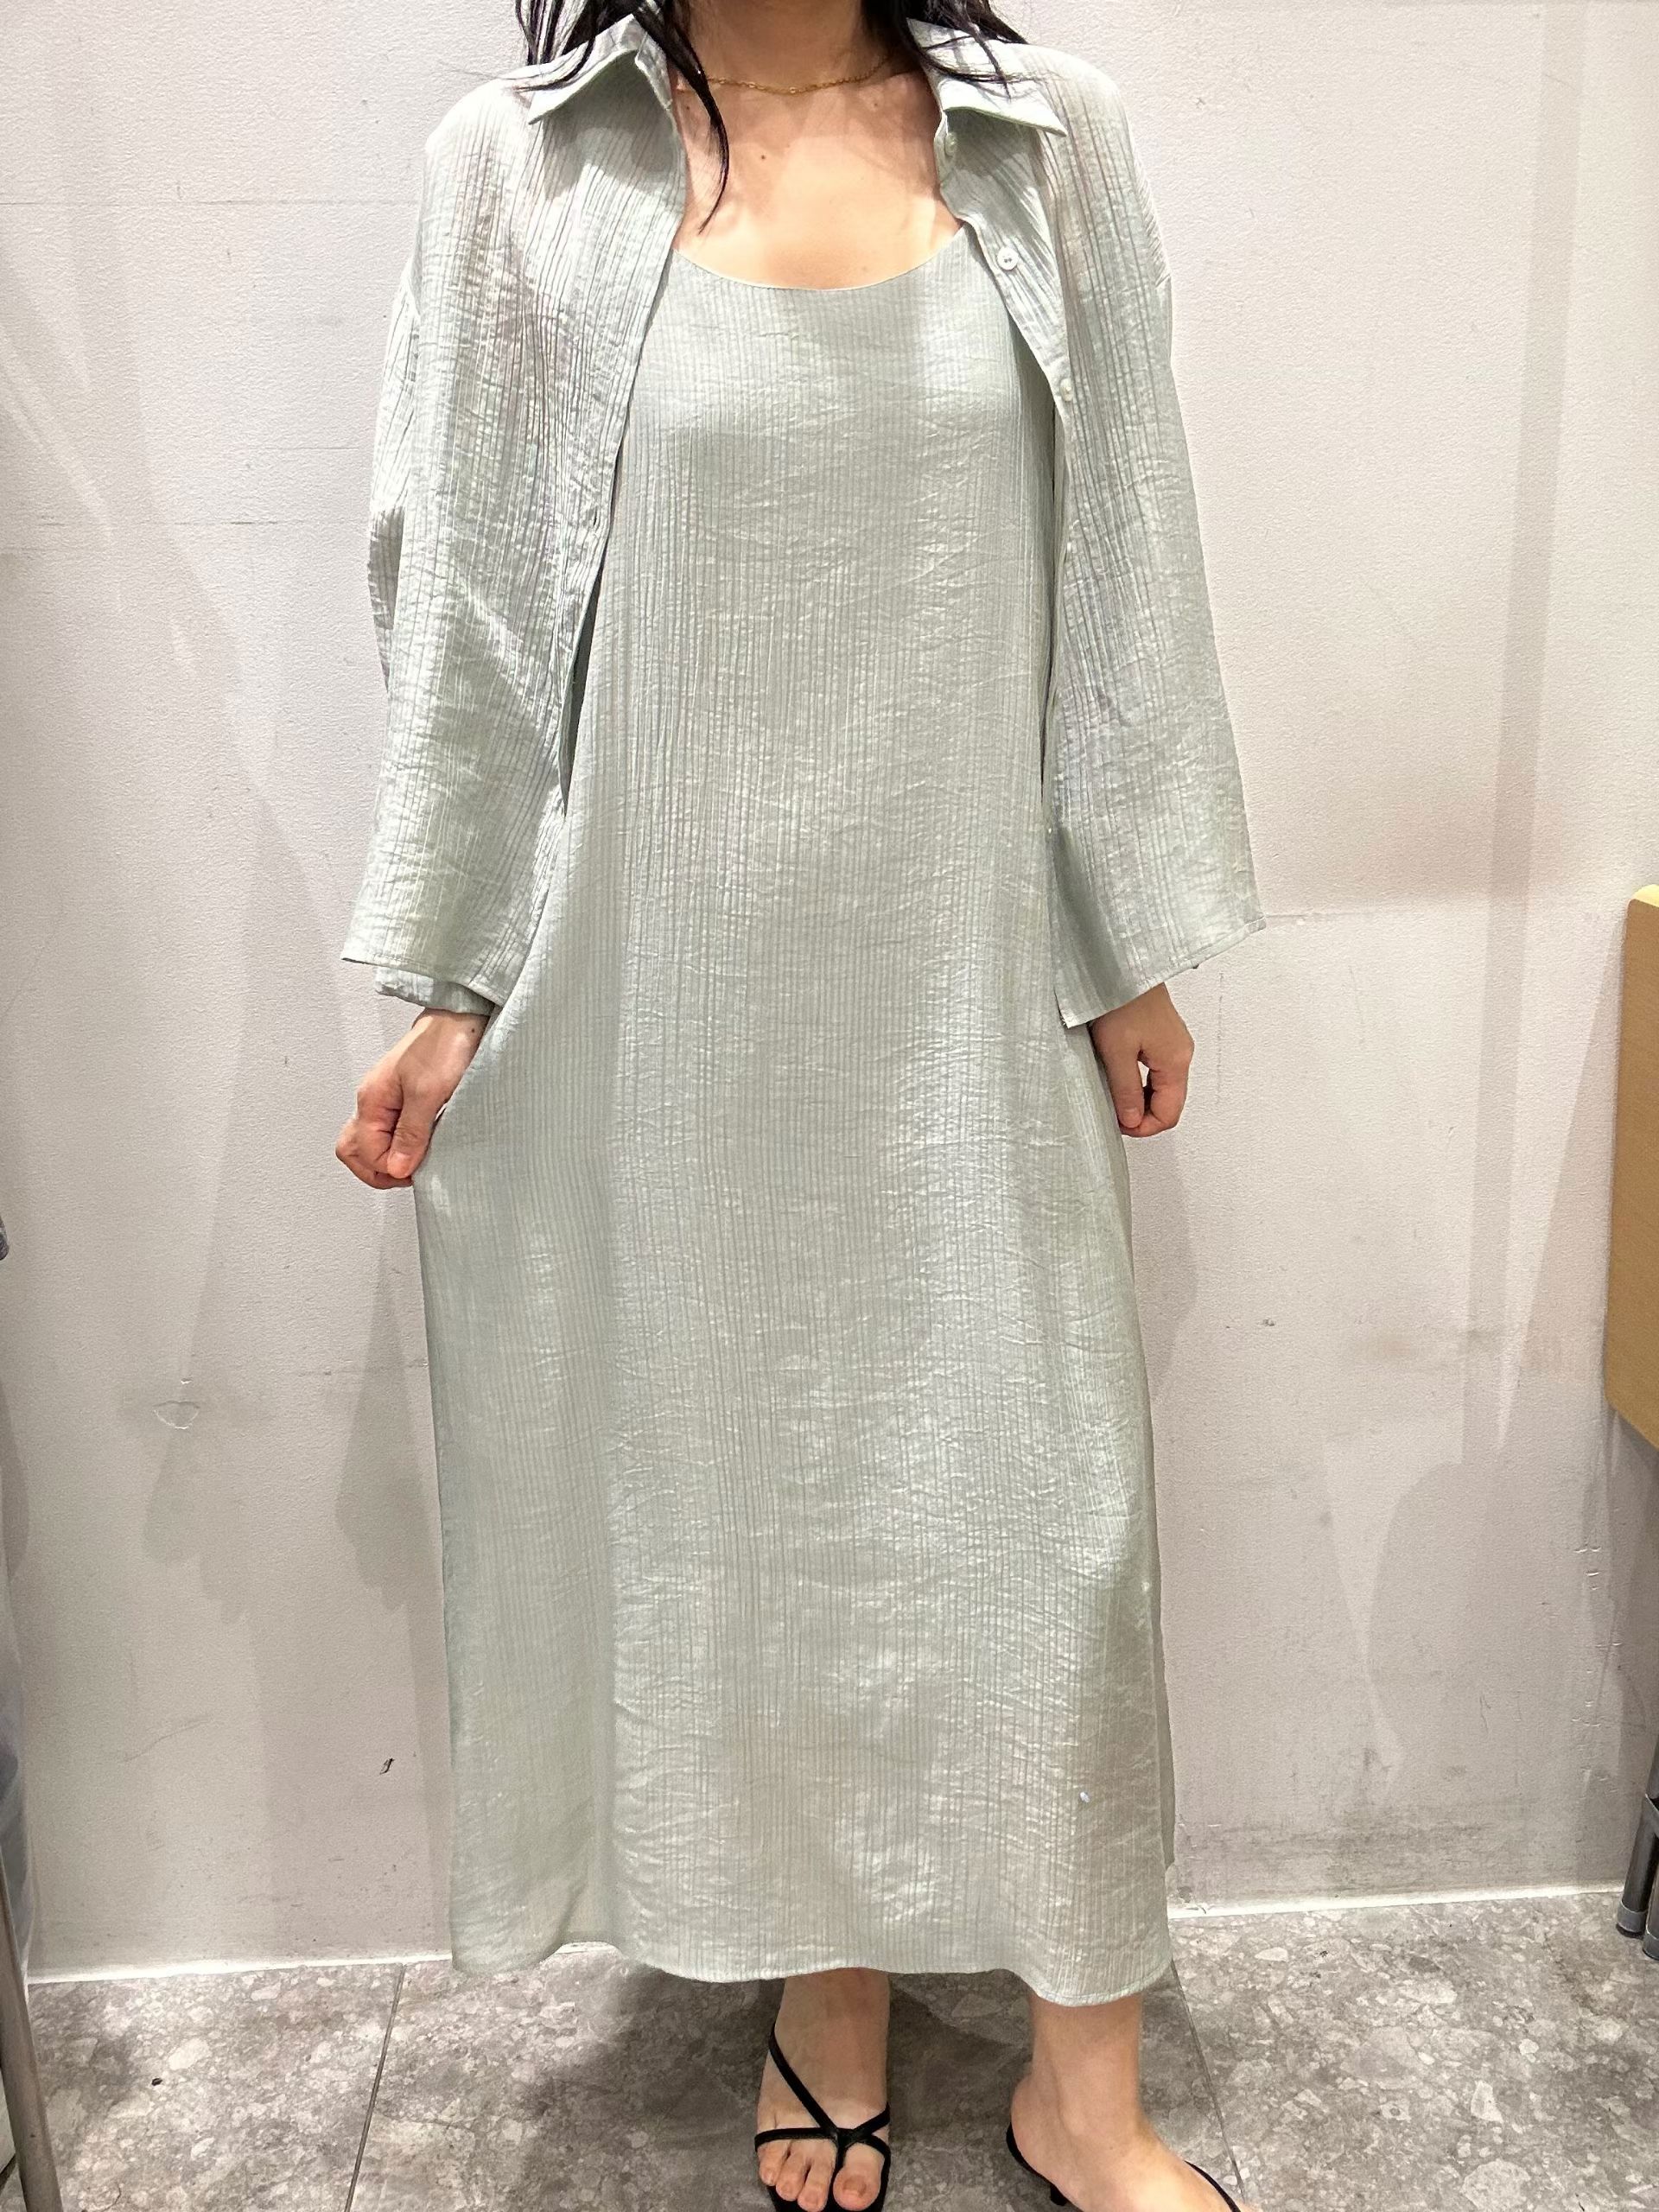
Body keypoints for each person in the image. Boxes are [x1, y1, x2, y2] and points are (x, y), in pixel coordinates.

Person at [335, 5, 1266, 2209]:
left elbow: (1127, 548)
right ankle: (824, 1985)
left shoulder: (1047, 145)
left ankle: (1087, 2077)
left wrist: (1129, 927)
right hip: (673, 989)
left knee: (1048, 1508)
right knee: (759, 1492)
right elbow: (466, 598)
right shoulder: (524, 172)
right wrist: (454, 976)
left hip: (970, 968)